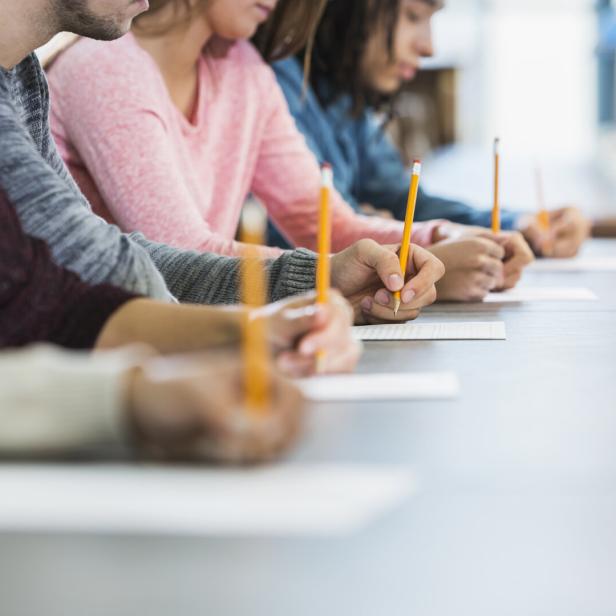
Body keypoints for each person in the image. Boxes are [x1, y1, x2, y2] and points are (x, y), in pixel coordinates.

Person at [45, 0, 526, 301]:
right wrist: (379, 271)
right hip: (125, 342)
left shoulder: (243, 68)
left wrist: (448, 239)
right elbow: (184, 254)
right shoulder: (105, 66)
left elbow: (326, 222)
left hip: (199, 335)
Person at [272, 0, 590, 259]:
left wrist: (517, 225)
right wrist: (437, 245)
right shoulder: (274, 83)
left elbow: (408, 203)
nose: (429, 47)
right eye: (413, 16)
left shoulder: (344, 97)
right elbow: (323, 231)